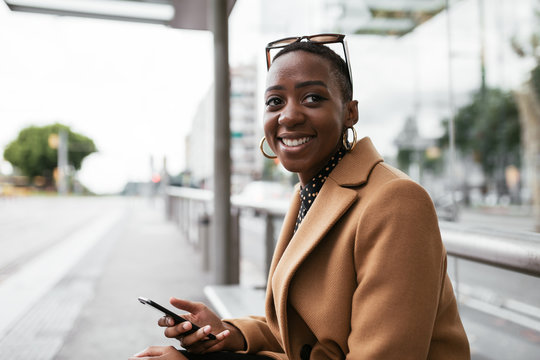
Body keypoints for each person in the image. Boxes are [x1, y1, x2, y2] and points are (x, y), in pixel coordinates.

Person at [130, 34, 470, 360]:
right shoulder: (311, 191)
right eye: (275, 101)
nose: (289, 115)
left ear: (350, 112)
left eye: (312, 98)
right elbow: (302, 332)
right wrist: (229, 334)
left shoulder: (396, 200)